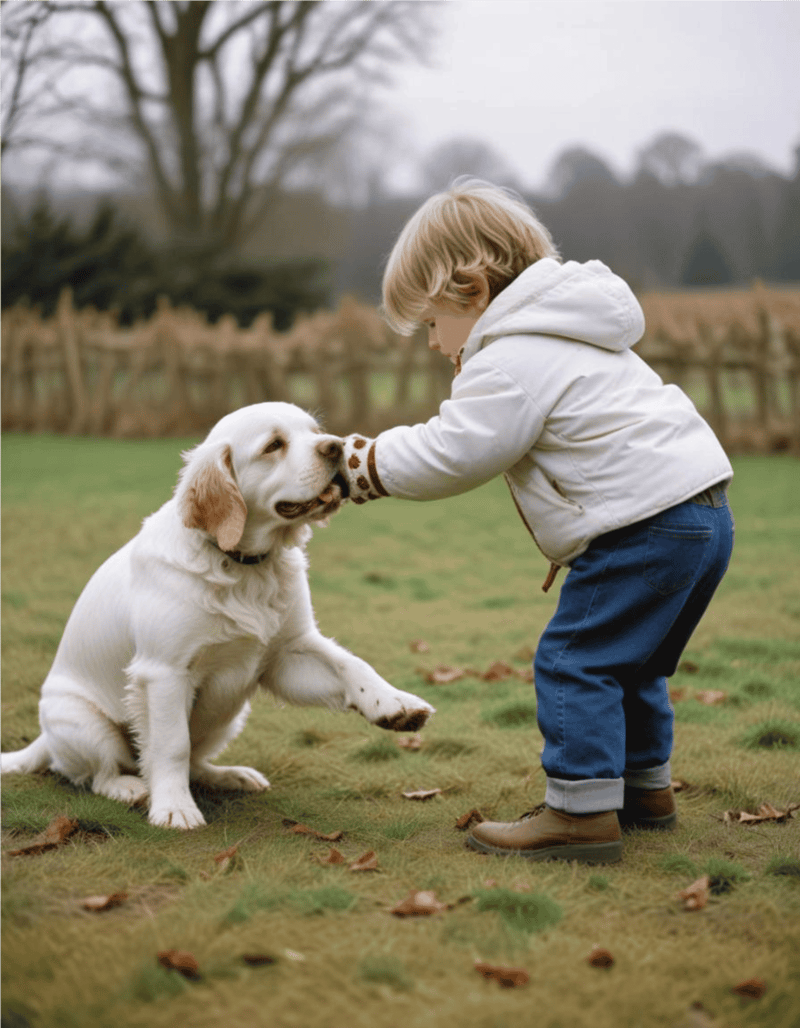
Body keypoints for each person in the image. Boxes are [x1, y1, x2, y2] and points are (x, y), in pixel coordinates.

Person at [338, 178, 734, 864]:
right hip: (702, 516)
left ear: (470, 289)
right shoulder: (578, 332)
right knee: (631, 664)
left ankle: (579, 814)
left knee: (575, 659)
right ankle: (643, 791)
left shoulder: (511, 355)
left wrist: (368, 466)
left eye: (433, 323)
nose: (434, 344)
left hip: (645, 526)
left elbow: (456, 450)